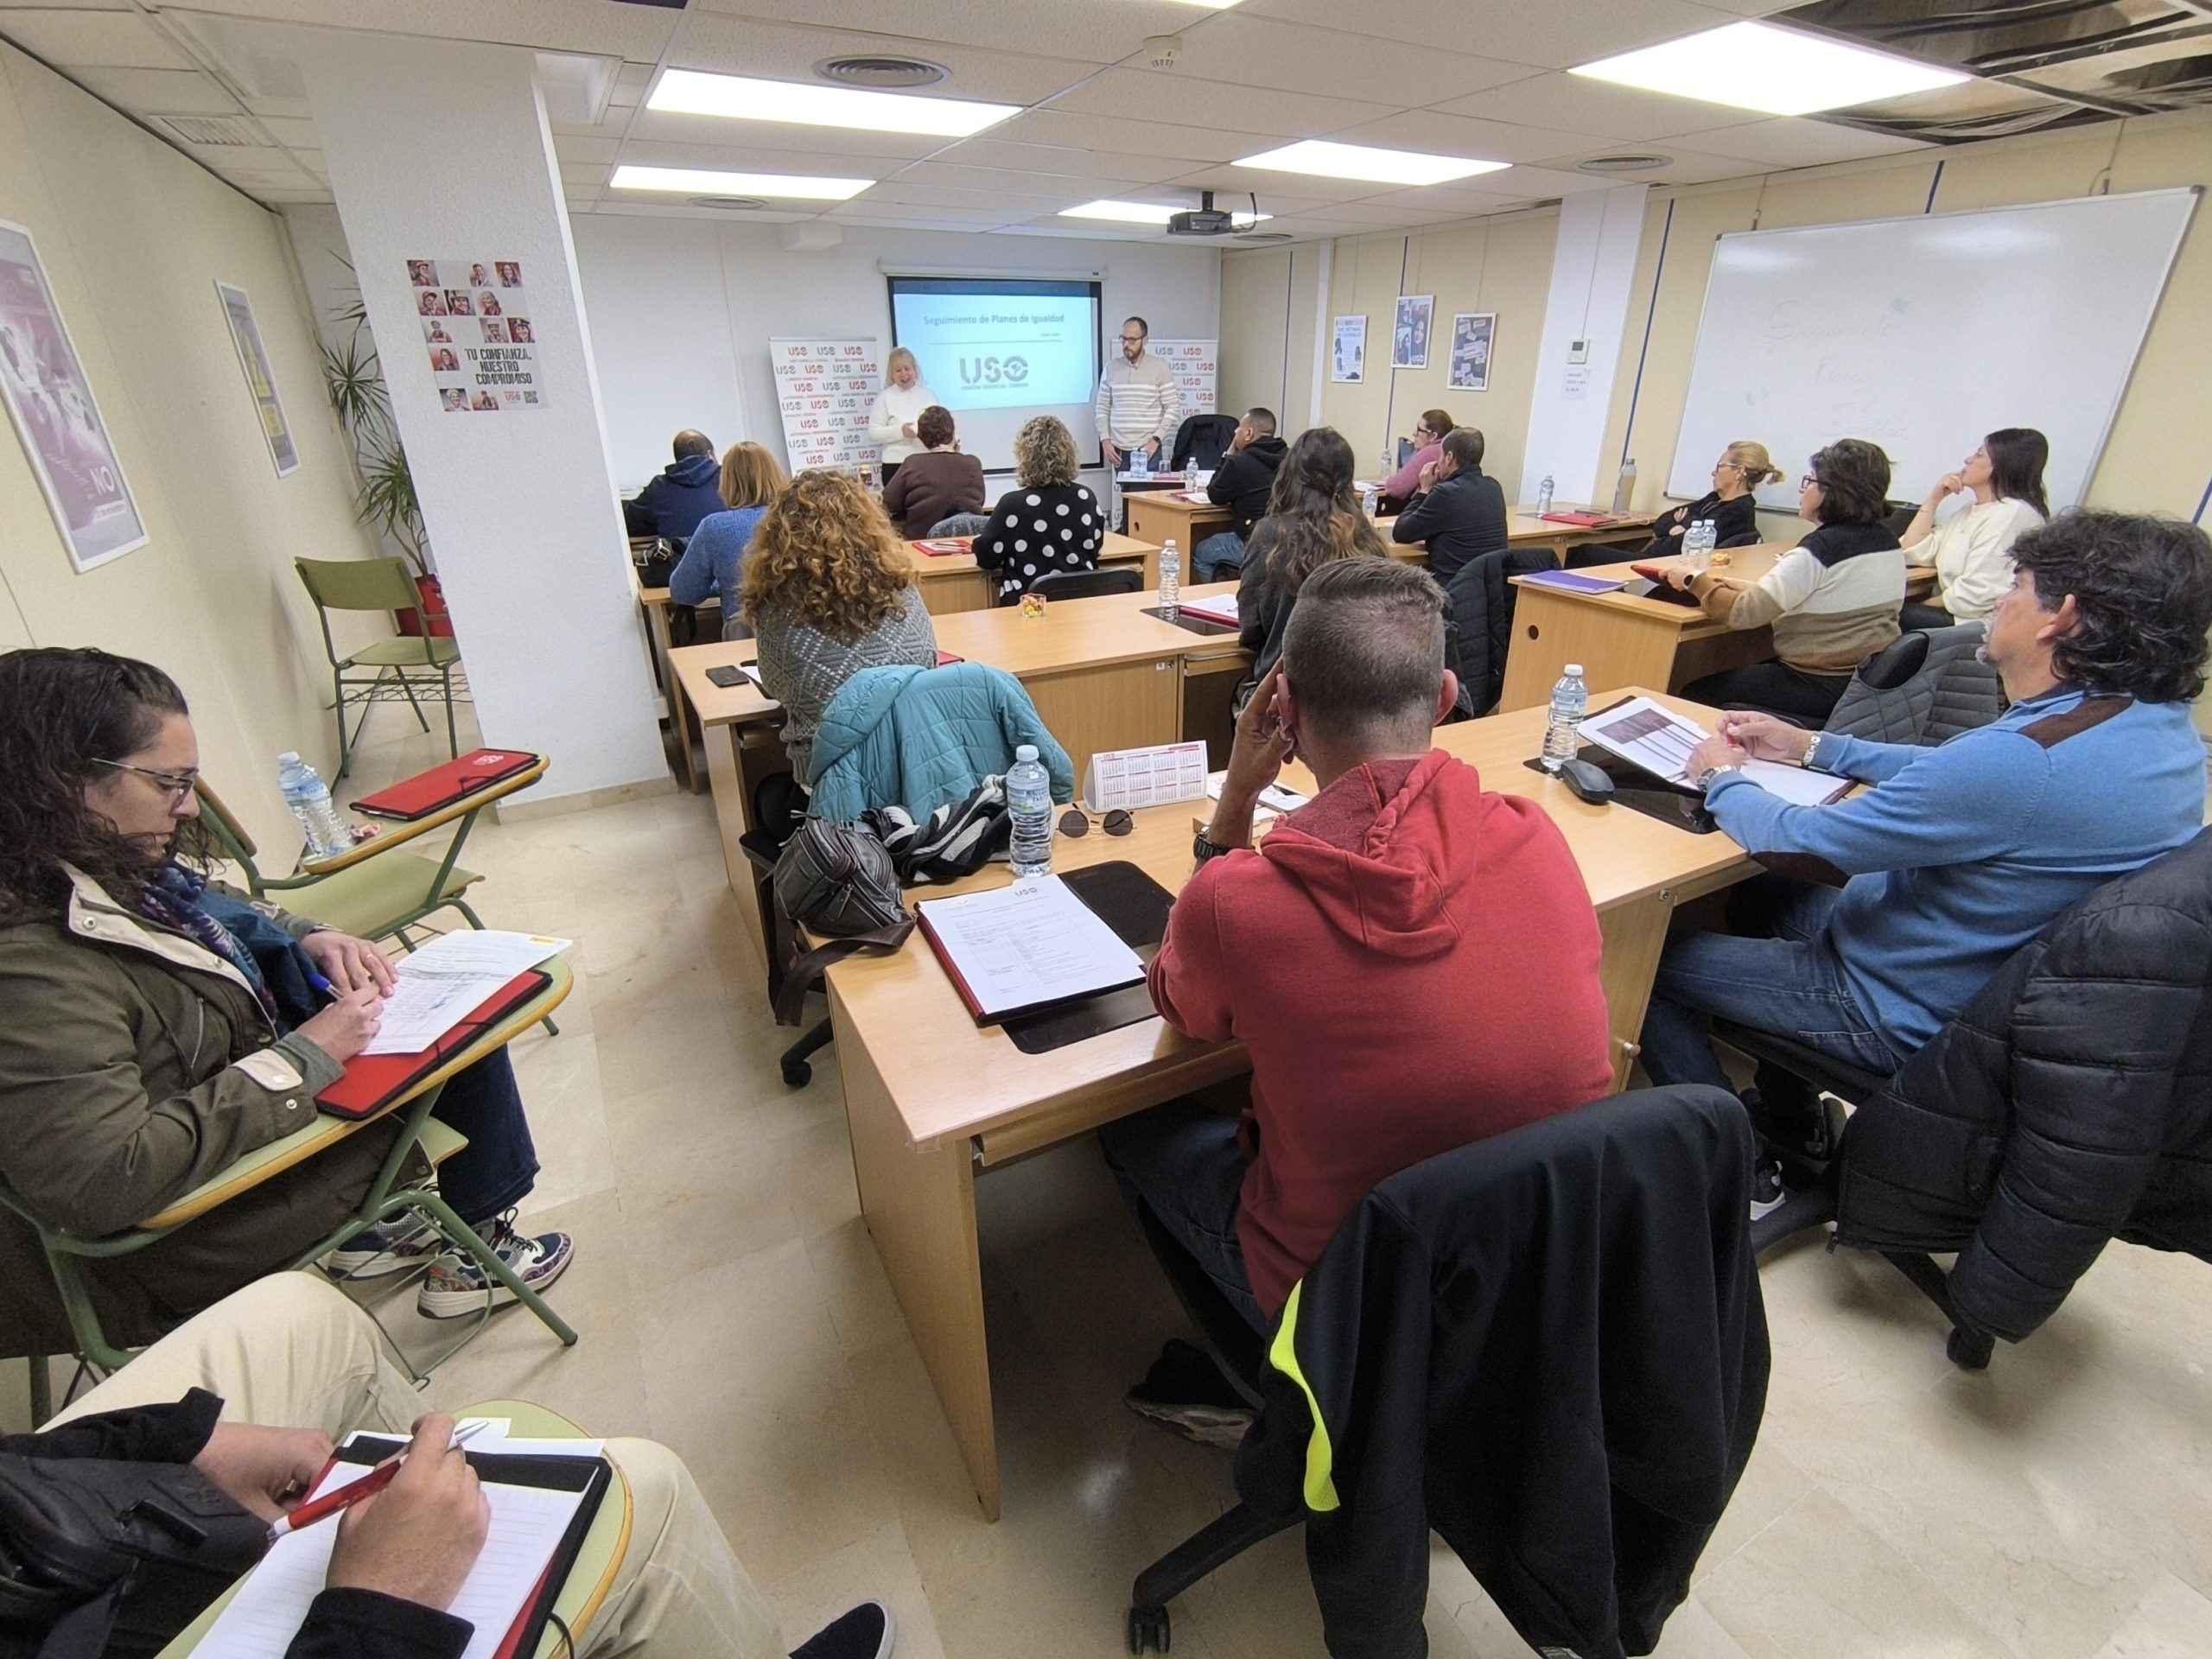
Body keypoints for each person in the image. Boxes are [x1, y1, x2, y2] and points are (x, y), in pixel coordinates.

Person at [1100, 558, 1613, 1430]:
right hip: (1524, 1275)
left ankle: (1275, 1393)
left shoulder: (1236, 903)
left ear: (1283, 708)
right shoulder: (1536, 835)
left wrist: (1235, 802)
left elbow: (1180, 1008)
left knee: (1126, 1127)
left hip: (1343, 1301)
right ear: (1445, 697)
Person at [0, 650, 574, 1360]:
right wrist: (303, 1059)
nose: (188, 807)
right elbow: (103, 1181)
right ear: (61, 780)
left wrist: (311, 935)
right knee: (458, 1040)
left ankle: (379, 1239)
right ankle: (474, 1253)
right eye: (169, 783)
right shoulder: (30, 966)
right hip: (188, 1236)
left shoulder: (88, 869)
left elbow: (220, 902)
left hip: (229, 1123)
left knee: (434, 1002)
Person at [1640, 511, 2212, 1154]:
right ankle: (1789, 1118)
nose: (1999, 601)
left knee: (1639, 963)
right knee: (1759, 896)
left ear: (2062, 617)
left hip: (1891, 1005)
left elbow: (1798, 842)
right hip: (1967, 974)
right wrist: (1813, 747)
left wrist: (1720, 777)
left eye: (2016, 585)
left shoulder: (2025, 762)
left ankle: (1736, 1159)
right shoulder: (2152, 728)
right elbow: (1954, 773)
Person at [8, 1271, 895, 1659]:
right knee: (641, 1495)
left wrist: (175, 1440)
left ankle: (477, 1560)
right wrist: (377, 1613)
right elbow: (106, 1170)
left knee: (302, 1315)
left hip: (43, 1525)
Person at [1663, 438, 1905, 723]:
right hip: (1868, 681)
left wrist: (1694, 580)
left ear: (1833, 492)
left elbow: (1743, 613)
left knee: (1693, 693)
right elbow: (1827, 595)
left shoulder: (1820, 549)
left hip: (1819, 681)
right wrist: (1753, 590)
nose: (1803, 489)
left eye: (1811, 481)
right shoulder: (1887, 541)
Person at [742, 470, 938, 782]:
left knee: (769, 793)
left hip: (829, 774)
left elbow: (776, 686)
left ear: (779, 535)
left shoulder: (776, 610)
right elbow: (929, 663)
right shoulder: (902, 591)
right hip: (913, 760)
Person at [1236, 427, 1391, 680]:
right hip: (1360, 682)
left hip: (1287, 682)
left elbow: (1251, 625)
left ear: (1291, 474)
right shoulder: (1367, 537)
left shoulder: (1273, 534)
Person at [1897, 428, 2050, 627]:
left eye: (1978, 455)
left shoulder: (2012, 513)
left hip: (1977, 624)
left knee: (1885, 618)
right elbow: (1913, 552)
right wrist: (1933, 500)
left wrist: (1920, 607)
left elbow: (1976, 593)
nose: (1968, 460)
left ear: (2001, 465)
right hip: (1956, 611)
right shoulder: (1970, 510)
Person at [970, 415, 1105, 605]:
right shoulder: (1086, 497)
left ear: (1025, 458)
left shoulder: (1012, 504)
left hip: (1030, 609)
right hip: (1081, 605)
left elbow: (986, 558)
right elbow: (1095, 548)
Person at [669, 442, 789, 642]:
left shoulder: (714, 527)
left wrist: (721, 583)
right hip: (803, 640)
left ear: (726, 483)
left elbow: (684, 592)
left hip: (746, 641)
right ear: (776, 474)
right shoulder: (798, 520)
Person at [1095, 316, 1183, 529]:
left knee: (1148, 505)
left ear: (1145, 340)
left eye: (1132, 340)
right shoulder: (1112, 368)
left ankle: (1148, 539)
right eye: (1123, 339)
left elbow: (1172, 407)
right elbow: (1102, 408)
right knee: (1127, 502)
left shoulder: (1159, 368)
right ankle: (1129, 538)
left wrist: (1156, 439)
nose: (1127, 344)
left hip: (1148, 450)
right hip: (1119, 449)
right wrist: (1105, 440)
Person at [1389, 425, 1508, 582]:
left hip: (1452, 588)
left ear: (1449, 457)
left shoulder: (1446, 493)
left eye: (1441, 455)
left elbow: (1401, 533)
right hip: (1489, 588)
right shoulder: (1494, 487)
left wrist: (1424, 490)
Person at [1637, 441, 1780, 556]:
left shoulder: (1737, 512)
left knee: (1620, 556)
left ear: (1739, 472)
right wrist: (1676, 527)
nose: (1713, 472)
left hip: (1664, 565)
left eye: (1719, 466)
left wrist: (1684, 526)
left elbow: (1679, 546)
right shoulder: (1714, 499)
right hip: (1655, 558)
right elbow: (1663, 520)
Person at [1193, 407, 1287, 581]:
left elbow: (1215, 495)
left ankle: (1218, 593)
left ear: (1248, 433)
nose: (1235, 433)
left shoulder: (1239, 462)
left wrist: (1228, 455)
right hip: (1286, 543)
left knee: (1203, 552)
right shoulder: (1290, 458)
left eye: (1238, 430)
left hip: (1253, 543)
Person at [880, 405, 985, 536]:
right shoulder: (973, 463)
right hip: (967, 543)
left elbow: (888, 505)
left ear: (921, 437)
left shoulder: (913, 464)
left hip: (920, 544)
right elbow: (978, 503)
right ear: (952, 431)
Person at [623, 430, 725, 542]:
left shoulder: (659, 487)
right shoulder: (729, 479)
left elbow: (628, 523)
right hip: (728, 551)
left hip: (681, 553)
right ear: (710, 454)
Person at [865, 348, 938, 484]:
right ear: (892, 374)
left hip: (925, 462)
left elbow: (940, 427)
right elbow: (873, 433)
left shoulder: (929, 396)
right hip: (895, 465)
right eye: (898, 370)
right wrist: (901, 431)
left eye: (907, 369)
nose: (904, 374)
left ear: (915, 370)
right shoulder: (884, 397)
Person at [1376, 409, 1452, 511]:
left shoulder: (1430, 452)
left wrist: (1390, 480)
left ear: (1433, 436)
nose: (1414, 433)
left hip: (1425, 511)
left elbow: (1397, 488)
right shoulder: (1451, 448)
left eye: (1419, 430)